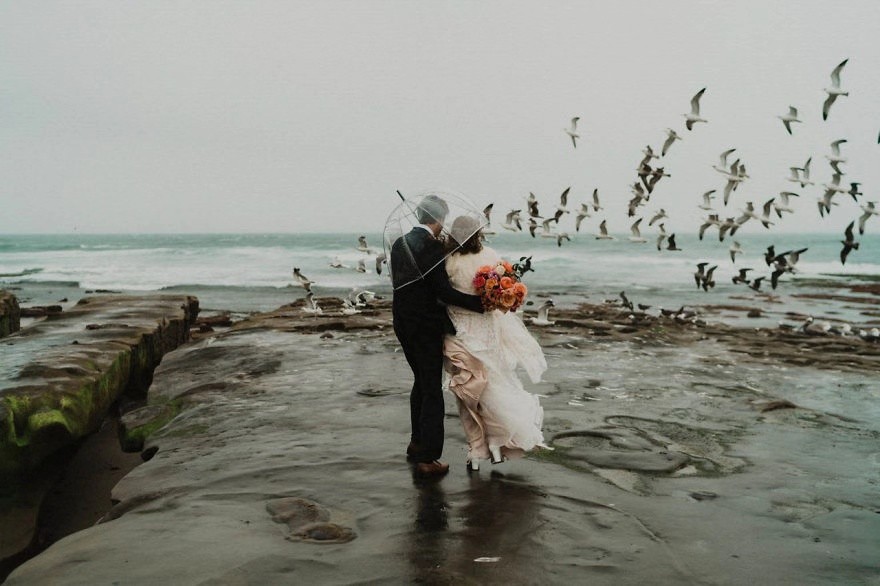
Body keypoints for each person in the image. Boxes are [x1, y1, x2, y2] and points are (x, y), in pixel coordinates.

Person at [442, 215, 549, 471]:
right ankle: (496, 445)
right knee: (492, 384)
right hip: (488, 329)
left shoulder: (448, 261)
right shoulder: (490, 255)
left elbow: (443, 296)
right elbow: (502, 290)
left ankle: (476, 449)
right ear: (477, 233)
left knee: (468, 392)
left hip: (460, 331)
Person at [390, 195, 485, 478]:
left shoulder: (399, 243)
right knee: (431, 388)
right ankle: (428, 457)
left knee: (420, 382)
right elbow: (444, 292)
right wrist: (478, 304)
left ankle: (417, 442)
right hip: (425, 326)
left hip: (402, 322)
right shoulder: (431, 247)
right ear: (440, 218)